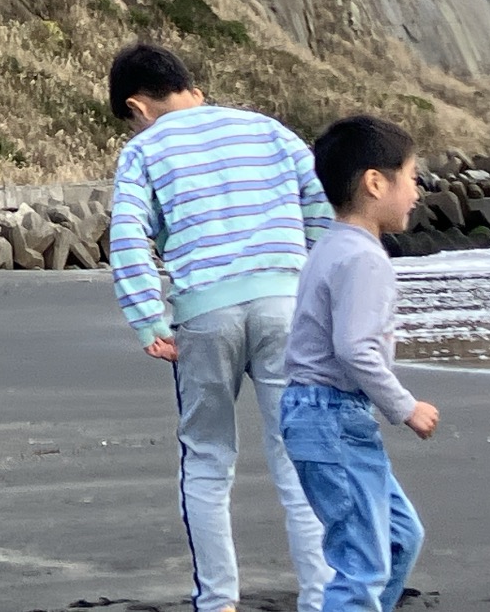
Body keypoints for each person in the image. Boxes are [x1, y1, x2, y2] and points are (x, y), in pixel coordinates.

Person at [108, 42, 334, 612]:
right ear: (194, 91)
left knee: (207, 458)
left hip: (205, 311)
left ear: (137, 106)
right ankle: (320, 596)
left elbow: (128, 236)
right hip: (285, 302)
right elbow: (322, 207)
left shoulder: (144, 150)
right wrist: (309, 279)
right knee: (297, 453)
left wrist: (148, 319)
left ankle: (218, 600)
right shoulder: (269, 131)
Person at [280, 115, 437, 611]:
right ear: (375, 182)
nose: (416, 192)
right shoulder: (363, 258)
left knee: (399, 536)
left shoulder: (332, 245)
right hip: (330, 416)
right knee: (363, 560)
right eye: (410, 177)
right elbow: (355, 349)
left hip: (323, 415)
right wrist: (405, 407)